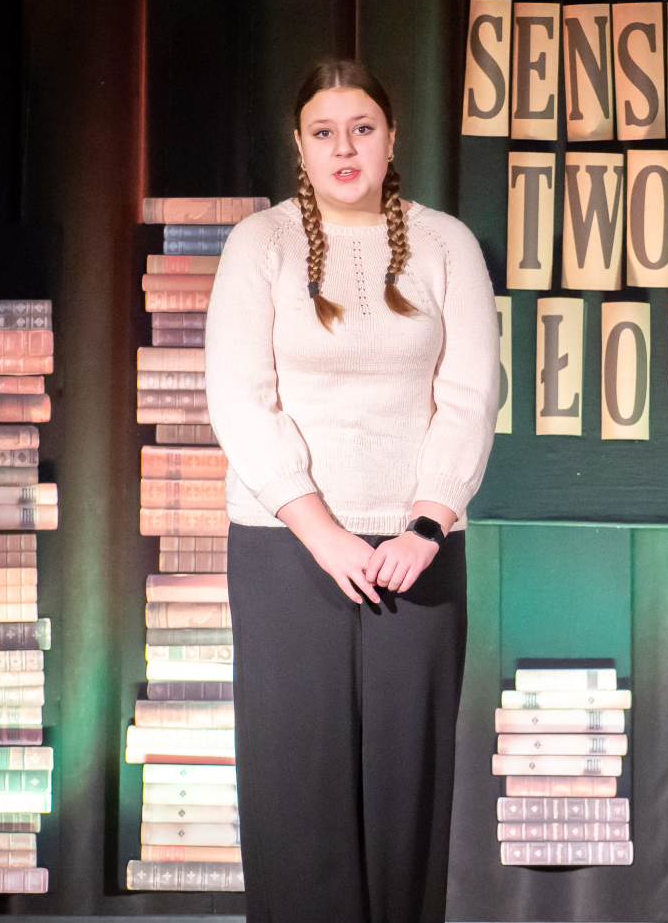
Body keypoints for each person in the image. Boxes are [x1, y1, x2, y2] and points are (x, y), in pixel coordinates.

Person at [204, 58, 500, 923]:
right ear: (299, 145)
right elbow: (240, 398)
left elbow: (471, 395)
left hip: (419, 552)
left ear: (391, 138)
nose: (345, 148)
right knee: (297, 789)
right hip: (286, 549)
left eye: (362, 128)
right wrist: (325, 533)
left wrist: (426, 525)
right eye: (324, 132)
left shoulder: (446, 245)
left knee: (409, 795)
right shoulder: (260, 244)